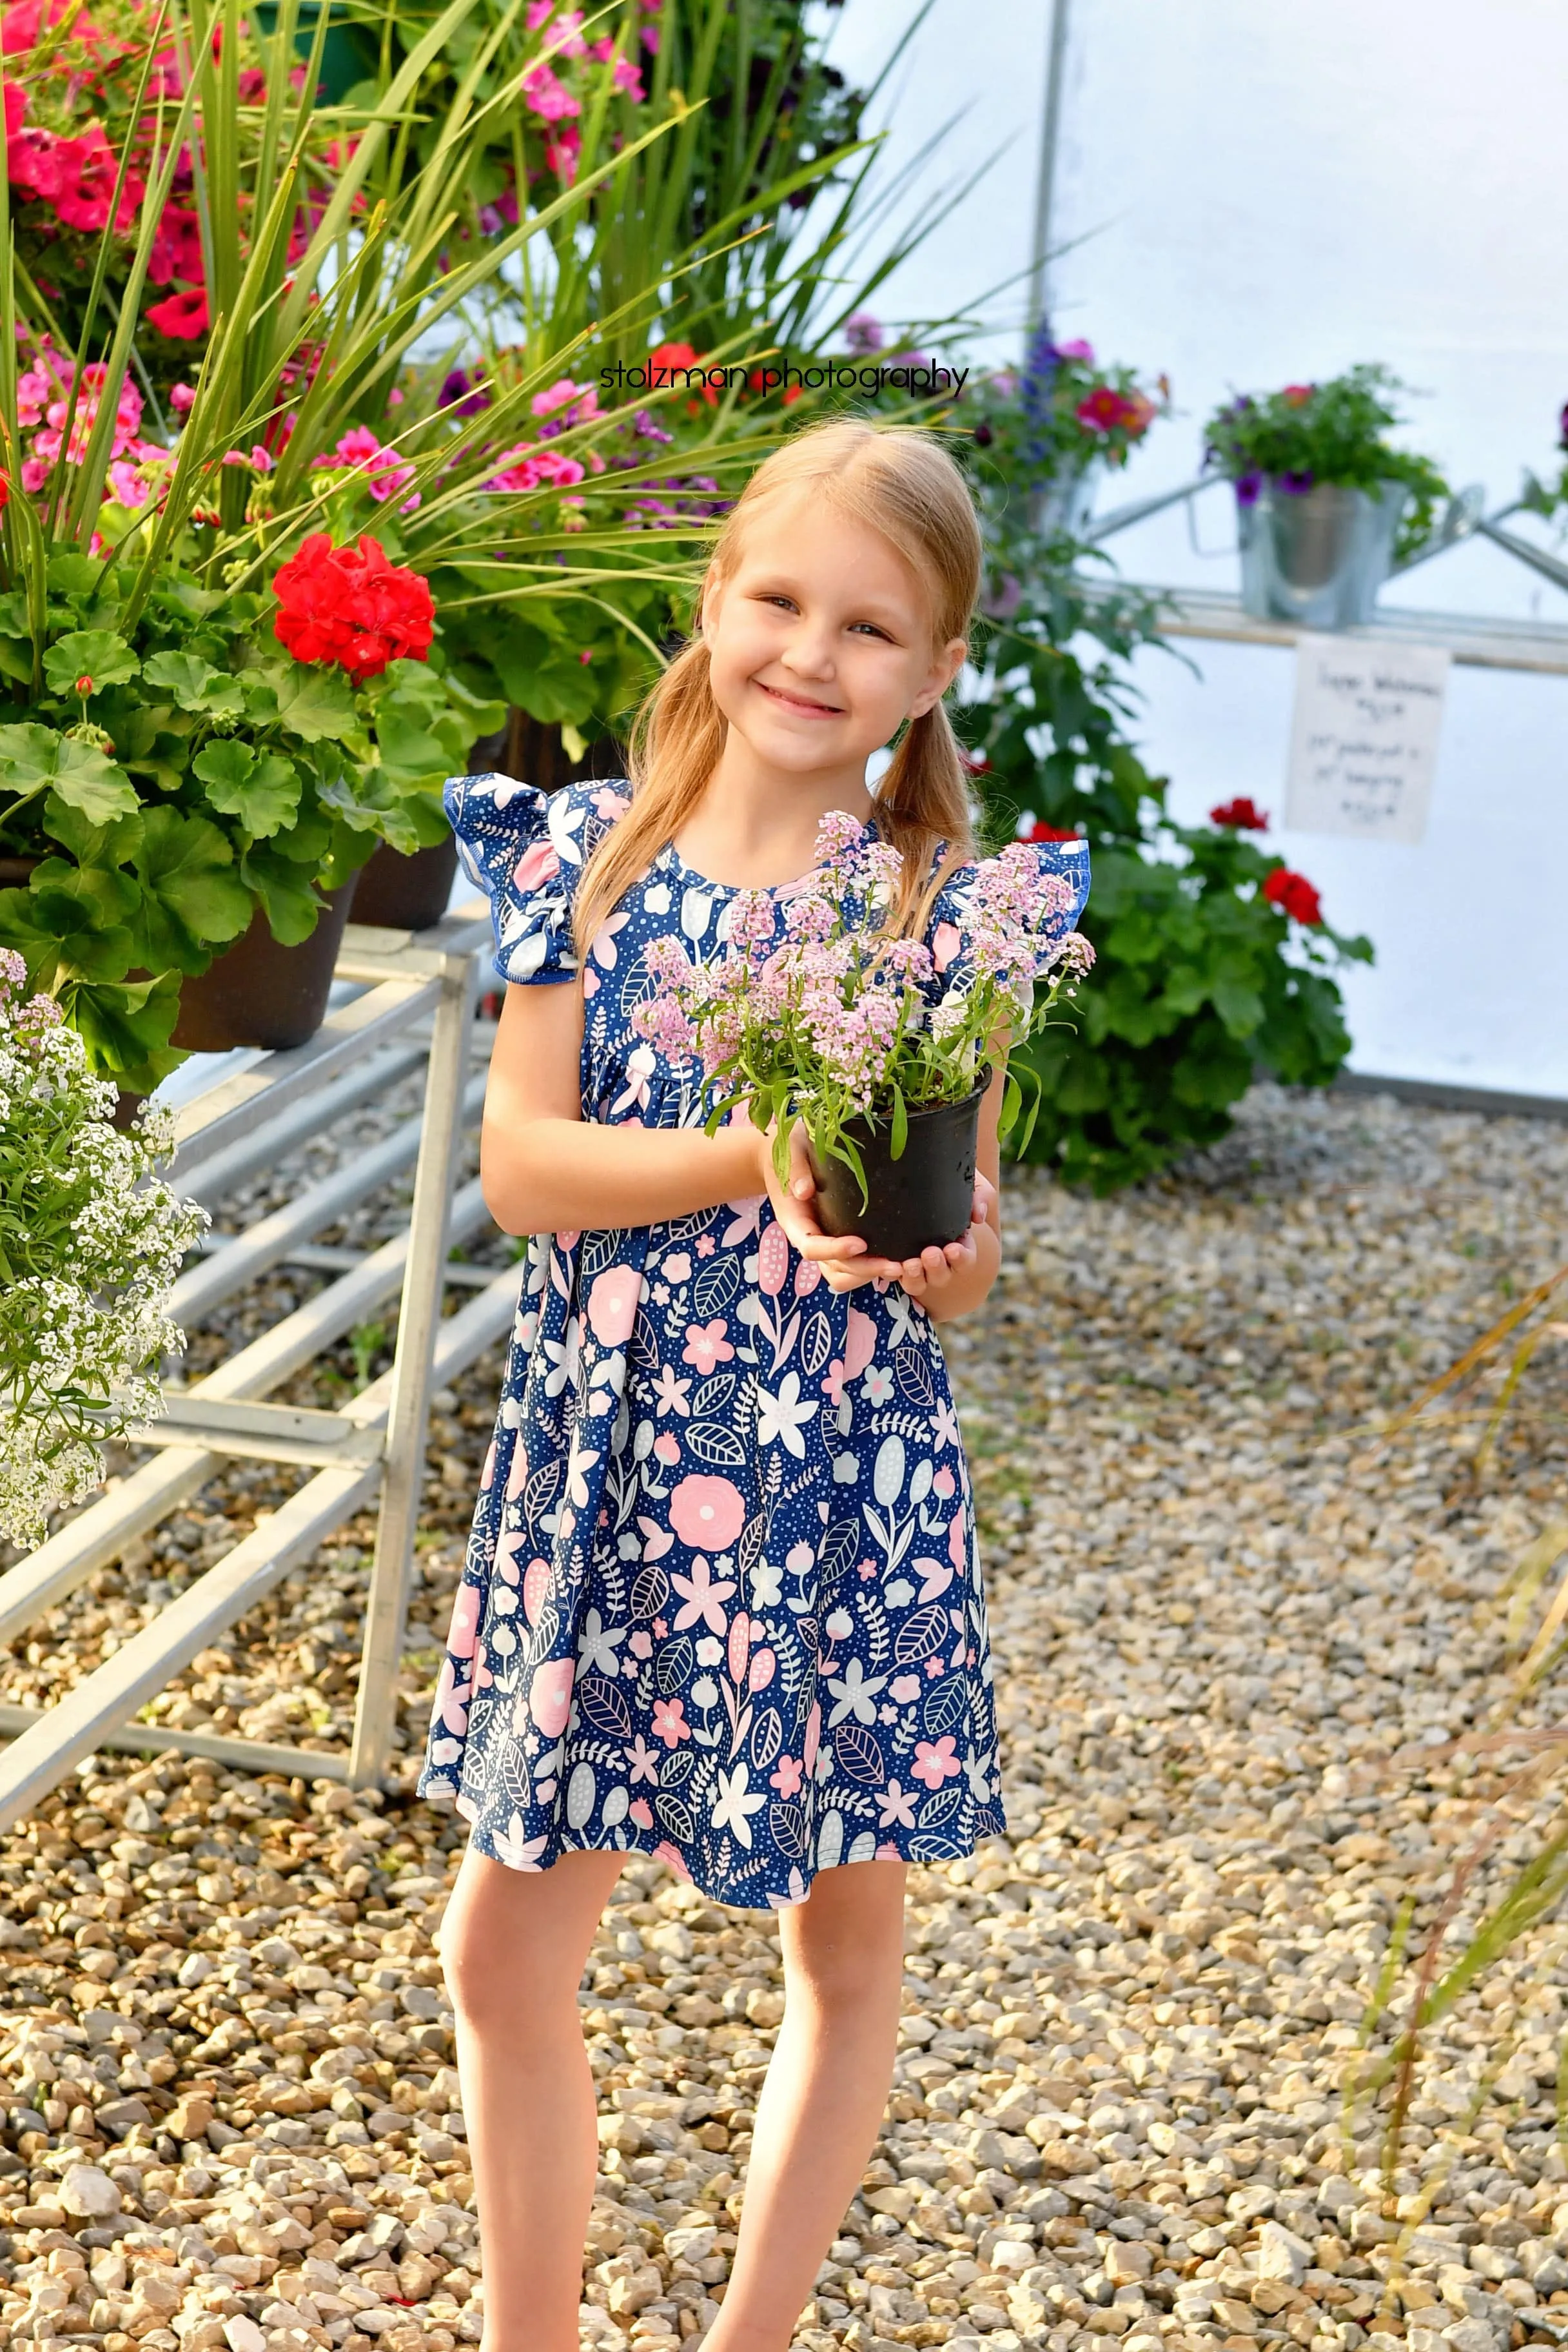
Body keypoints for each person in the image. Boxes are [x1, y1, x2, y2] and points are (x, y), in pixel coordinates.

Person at [417, 418, 1090, 2352]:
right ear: (714, 604)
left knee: (848, 1941)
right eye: (778, 600)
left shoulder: (932, 908)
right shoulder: (580, 858)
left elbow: (959, 1272)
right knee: (504, 1947)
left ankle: (754, 2336)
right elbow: (527, 1174)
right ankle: (529, 2336)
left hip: (836, 1482)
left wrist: (945, 1254)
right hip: (612, 1464)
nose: (813, 652)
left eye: (871, 627)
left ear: (938, 667)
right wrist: (761, 1148)